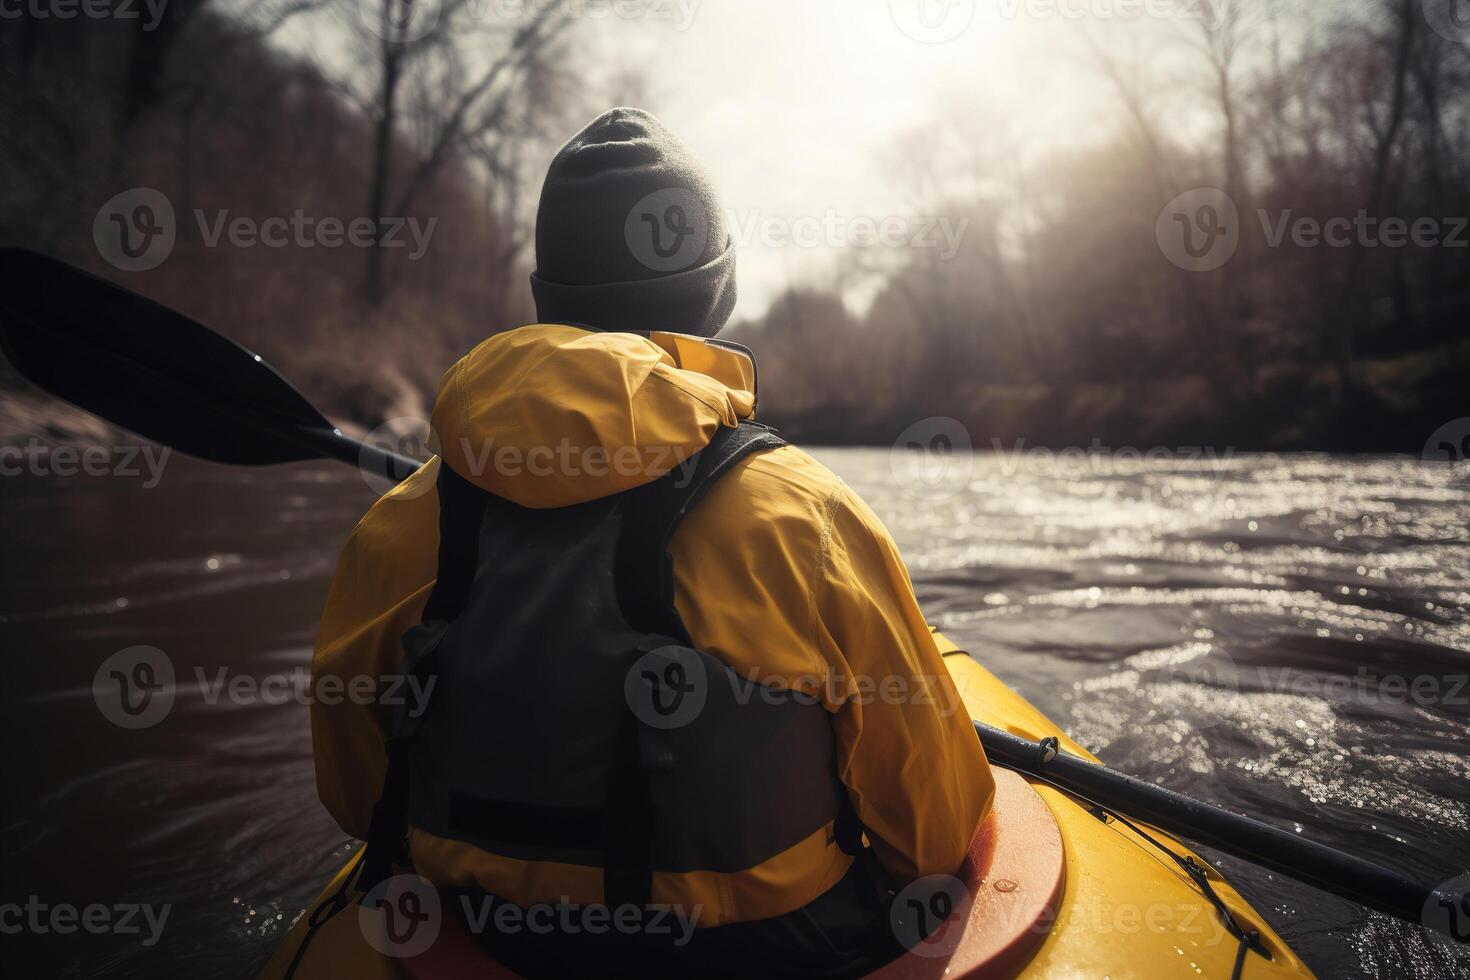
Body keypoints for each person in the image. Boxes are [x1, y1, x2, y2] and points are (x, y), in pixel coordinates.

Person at [311, 107, 992, 978]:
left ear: (545, 303)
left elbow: (356, 798)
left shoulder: (397, 526)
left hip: (483, 944)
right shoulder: (808, 518)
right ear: (715, 298)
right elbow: (932, 837)